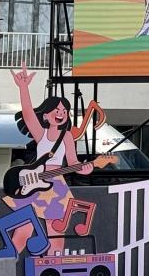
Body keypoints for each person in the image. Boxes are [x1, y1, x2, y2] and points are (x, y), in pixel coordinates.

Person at [7, 65, 93, 255]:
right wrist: (23, 87)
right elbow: (28, 115)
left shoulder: (67, 136)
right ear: (46, 114)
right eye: (56, 109)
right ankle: (5, 266)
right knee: (23, 230)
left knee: (56, 234)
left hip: (57, 188)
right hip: (35, 183)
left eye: (64, 110)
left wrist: (83, 168)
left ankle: (52, 270)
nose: (60, 113)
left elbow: (72, 162)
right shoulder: (42, 133)